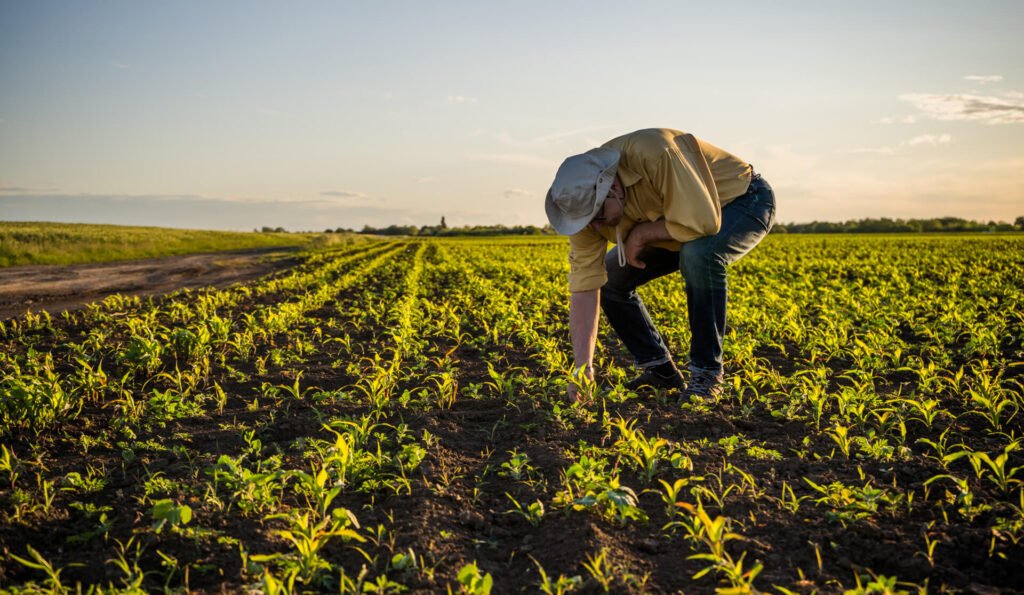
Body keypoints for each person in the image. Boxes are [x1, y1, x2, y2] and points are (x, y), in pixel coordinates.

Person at [544, 128, 775, 402]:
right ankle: (659, 371)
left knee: (698, 254)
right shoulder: (581, 205)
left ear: (614, 188)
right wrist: (582, 369)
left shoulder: (656, 152)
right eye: (586, 222)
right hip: (674, 222)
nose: (594, 228)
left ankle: (707, 375)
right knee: (611, 280)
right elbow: (585, 284)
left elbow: (703, 222)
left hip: (738, 202)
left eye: (598, 217)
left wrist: (642, 234)